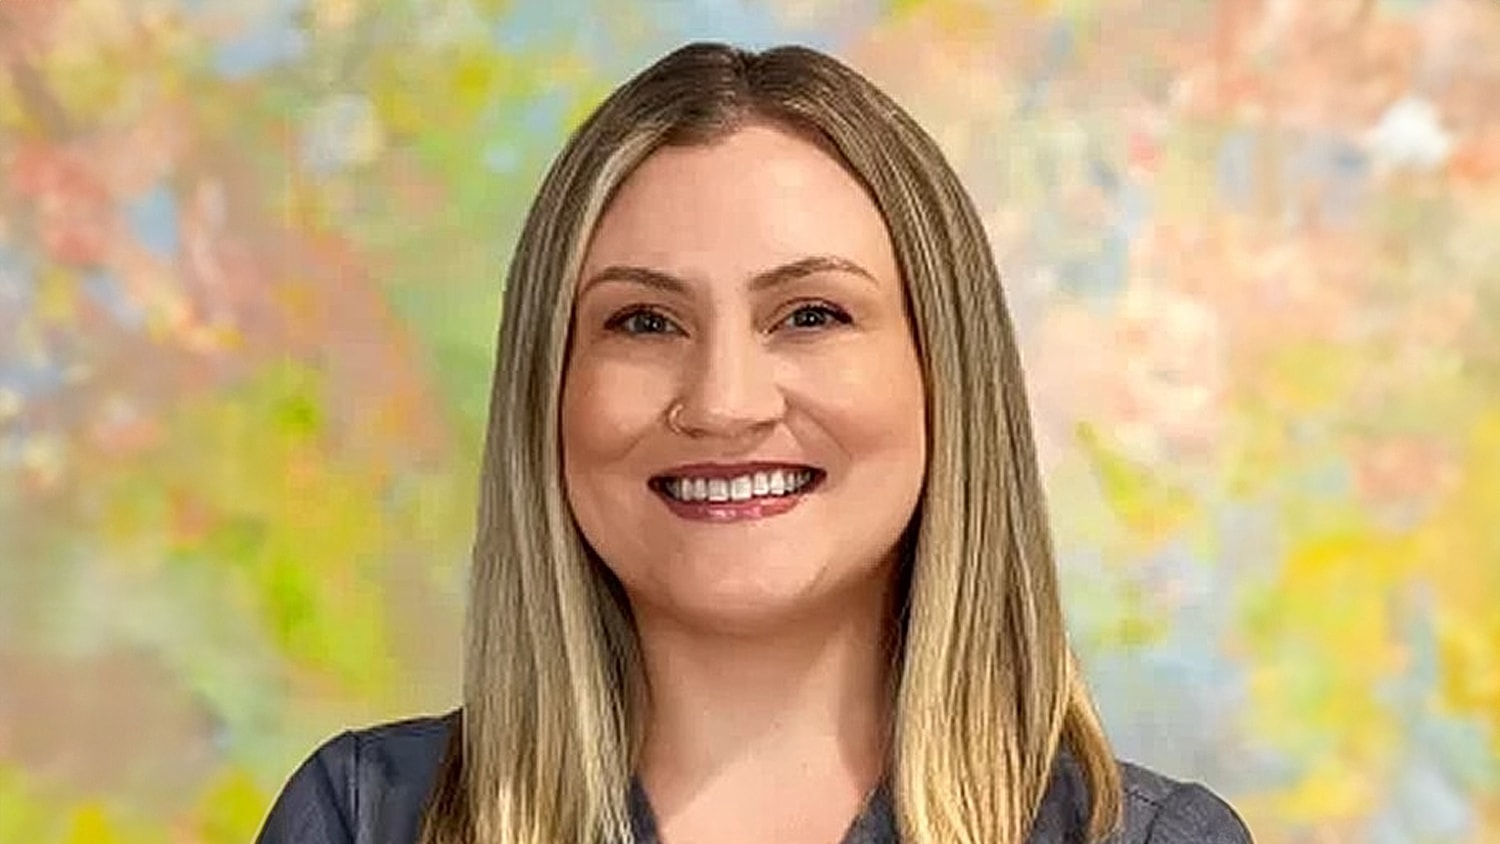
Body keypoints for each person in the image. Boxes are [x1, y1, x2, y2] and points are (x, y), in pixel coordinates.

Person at [255, 41, 1254, 844]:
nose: (724, 403)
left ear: (946, 376)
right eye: (643, 321)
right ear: (548, 391)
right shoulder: (365, 819)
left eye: (811, 313)